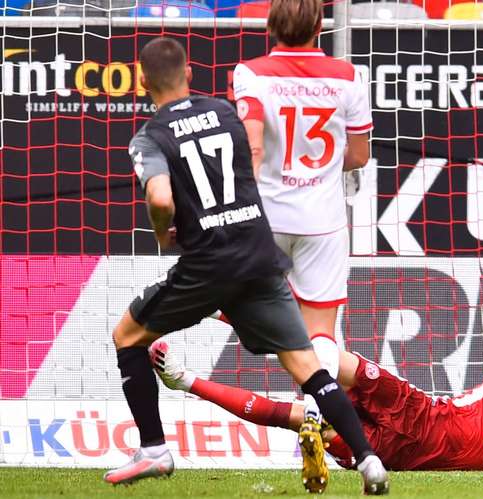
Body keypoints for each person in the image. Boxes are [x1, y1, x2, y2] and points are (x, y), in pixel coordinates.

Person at [106, 37, 388, 495]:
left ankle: (154, 448)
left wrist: (164, 230)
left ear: (141, 81)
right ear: (190, 73)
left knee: (128, 336)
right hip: (257, 253)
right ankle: (368, 458)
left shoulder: (150, 136)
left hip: (207, 265)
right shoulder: (224, 111)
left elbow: (159, 196)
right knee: (308, 366)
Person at [150, 255, 483, 472]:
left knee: (296, 417)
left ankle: (184, 380)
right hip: (415, 408)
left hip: (393, 451)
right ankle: (224, 310)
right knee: (321, 355)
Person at [225, 0, 372, 487]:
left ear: (270, 25)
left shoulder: (250, 73)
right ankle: (315, 414)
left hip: (265, 218)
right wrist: (320, 170)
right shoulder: (348, 76)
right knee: (323, 331)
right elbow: (358, 155)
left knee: (241, 307)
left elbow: (251, 149)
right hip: (322, 222)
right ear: (319, 26)